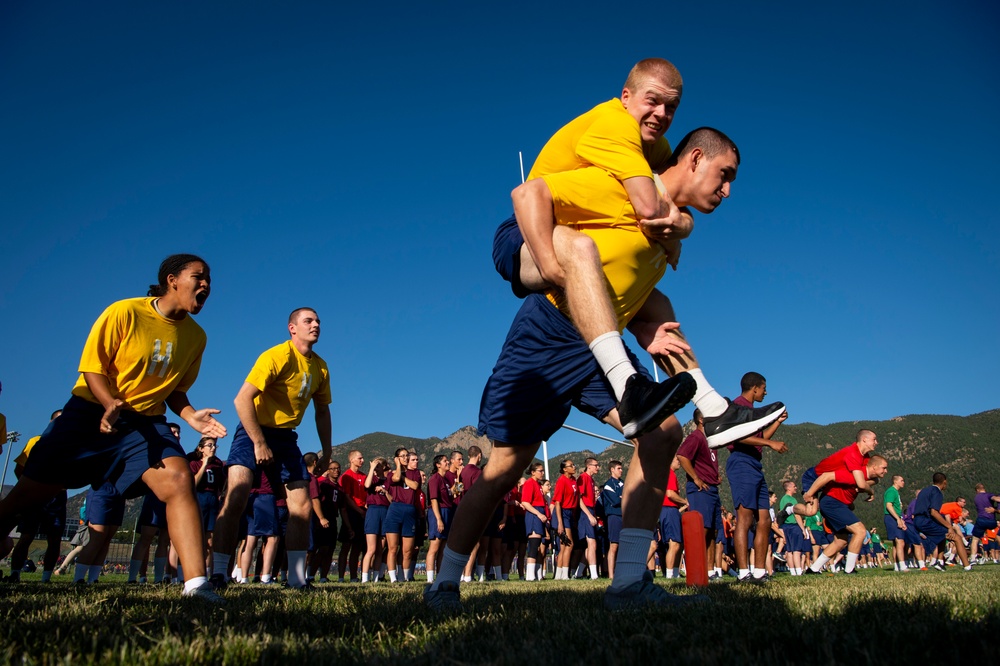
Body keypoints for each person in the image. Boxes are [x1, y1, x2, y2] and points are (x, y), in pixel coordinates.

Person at [426, 123, 756, 612]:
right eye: (723, 175)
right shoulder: (624, 187)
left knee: (663, 434)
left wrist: (648, 327)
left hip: (601, 346)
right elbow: (535, 197)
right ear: (694, 159)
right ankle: (444, 583)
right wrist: (539, 255)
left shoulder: (669, 228)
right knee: (503, 471)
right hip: (547, 332)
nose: (727, 190)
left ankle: (627, 585)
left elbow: (629, 287)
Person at [495, 60, 785, 446]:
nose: (663, 114)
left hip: (576, 266)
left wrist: (681, 228)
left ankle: (713, 408)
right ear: (626, 97)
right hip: (526, 230)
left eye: (672, 107)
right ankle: (628, 385)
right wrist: (551, 267)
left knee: (657, 302)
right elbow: (649, 207)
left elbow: (671, 185)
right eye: (653, 101)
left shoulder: (656, 147)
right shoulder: (617, 129)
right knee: (580, 249)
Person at [0, 255, 225, 601]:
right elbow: (92, 367)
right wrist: (109, 403)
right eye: (199, 276)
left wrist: (191, 416)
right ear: (172, 280)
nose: (206, 284)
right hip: (89, 414)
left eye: (209, 279)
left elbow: (176, 391)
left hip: (144, 423)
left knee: (179, 480)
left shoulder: (196, 337)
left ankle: (196, 586)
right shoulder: (124, 312)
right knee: (25, 495)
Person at [211, 307, 332, 591]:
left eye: (317, 321)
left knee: (301, 507)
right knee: (237, 494)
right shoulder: (275, 356)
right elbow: (242, 400)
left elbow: (322, 411)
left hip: (286, 438)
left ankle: (297, 579)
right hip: (253, 429)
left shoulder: (321, 366)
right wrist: (259, 442)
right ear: (292, 328)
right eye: (308, 321)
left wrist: (327, 450)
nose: (315, 325)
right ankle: (218, 573)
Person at [725, 372, 788, 583]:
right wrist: (771, 444)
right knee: (744, 518)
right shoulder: (737, 407)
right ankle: (744, 573)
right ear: (754, 388)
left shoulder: (752, 411)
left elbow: (759, 438)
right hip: (741, 462)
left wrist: (777, 422)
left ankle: (760, 572)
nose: (765, 392)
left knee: (765, 520)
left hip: (755, 464)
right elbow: (737, 437)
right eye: (763, 388)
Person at [805, 455, 889, 575]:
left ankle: (813, 569)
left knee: (841, 541)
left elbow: (871, 481)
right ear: (874, 467)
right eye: (884, 468)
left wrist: (868, 488)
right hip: (832, 502)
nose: (886, 471)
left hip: (838, 504)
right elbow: (827, 476)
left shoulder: (868, 478)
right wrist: (810, 493)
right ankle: (849, 570)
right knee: (860, 531)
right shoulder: (854, 474)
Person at [7, 410, 66, 582]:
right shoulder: (35, 442)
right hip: (35, 496)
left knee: (54, 539)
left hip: (57, 497)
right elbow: (19, 469)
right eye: (57, 420)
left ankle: (46, 577)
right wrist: (31, 488)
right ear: (50, 422)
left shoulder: (70, 445)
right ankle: (14, 574)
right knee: (27, 535)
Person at [675, 409, 724, 579]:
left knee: (712, 531)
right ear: (702, 420)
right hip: (700, 490)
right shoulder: (696, 436)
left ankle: (709, 571)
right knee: (701, 530)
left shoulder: (710, 440)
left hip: (711, 489)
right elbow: (682, 455)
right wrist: (696, 478)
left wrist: (714, 475)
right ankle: (695, 570)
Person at [914, 474, 970, 570]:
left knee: (943, 537)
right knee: (956, 537)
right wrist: (949, 527)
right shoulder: (937, 492)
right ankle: (967, 566)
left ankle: (939, 562)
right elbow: (934, 512)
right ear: (944, 482)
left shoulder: (924, 490)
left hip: (917, 520)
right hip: (925, 521)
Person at [384, 448, 421, 582]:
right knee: (393, 548)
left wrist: (405, 477)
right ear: (397, 458)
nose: (405, 458)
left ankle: (403, 577)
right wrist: (399, 466)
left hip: (410, 510)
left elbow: (415, 486)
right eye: (402, 456)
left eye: (407, 456)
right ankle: (393, 578)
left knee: (407, 550)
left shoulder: (415, 473)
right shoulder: (391, 474)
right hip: (395, 509)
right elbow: (396, 478)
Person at [190, 435, 225, 568]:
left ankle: (207, 571)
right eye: (209, 445)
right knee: (196, 537)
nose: (213, 448)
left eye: (214, 445)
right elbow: (194, 483)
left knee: (210, 541)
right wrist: (204, 464)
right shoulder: (194, 463)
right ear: (201, 448)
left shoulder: (217, 464)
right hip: (199, 497)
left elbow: (221, 485)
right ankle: (189, 571)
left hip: (212, 500)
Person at [338, 450, 368, 582]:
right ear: (352, 460)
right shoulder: (346, 476)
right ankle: (340, 576)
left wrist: (365, 508)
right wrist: (358, 510)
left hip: (362, 511)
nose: (362, 461)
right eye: (360, 458)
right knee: (346, 545)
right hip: (351, 512)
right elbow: (347, 496)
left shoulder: (364, 476)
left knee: (357, 545)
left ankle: (354, 576)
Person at [426, 454, 456, 583]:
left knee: (443, 547)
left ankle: (440, 576)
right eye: (445, 461)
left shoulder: (447, 481)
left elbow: (453, 495)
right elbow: (434, 500)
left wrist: (459, 478)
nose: (447, 462)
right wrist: (438, 519)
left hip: (447, 511)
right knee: (435, 546)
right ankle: (429, 578)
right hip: (438, 512)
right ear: (438, 465)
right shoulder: (435, 479)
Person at [361, 457, 389, 583]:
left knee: (380, 549)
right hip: (373, 511)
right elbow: (366, 485)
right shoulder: (372, 478)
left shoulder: (388, 481)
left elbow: (392, 499)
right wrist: (371, 469)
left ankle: (376, 577)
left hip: (385, 511)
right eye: (374, 465)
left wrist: (384, 491)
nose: (376, 468)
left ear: (383, 467)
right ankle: (364, 578)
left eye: (378, 466)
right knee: (371, 549)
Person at [575, 457, 601, 580]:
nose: (598, 467)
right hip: (585, 512)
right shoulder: (583, 477)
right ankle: (594, 574)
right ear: (589, 466)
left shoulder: (591, 480)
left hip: (591, 510)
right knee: (592, 543)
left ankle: (579, 573)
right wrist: (589, 515)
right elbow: (579, 499)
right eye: (596, 465)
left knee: (590, 545)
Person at [600, 460, 625, 578]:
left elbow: (629, 496)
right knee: (614, 545)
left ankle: (621, 572)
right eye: (619, 468)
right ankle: (611, 574)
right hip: (614, 517)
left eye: (621, 468)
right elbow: (615, 501)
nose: (621, 470)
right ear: (612, 469)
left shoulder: (623, 483)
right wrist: (622, 497)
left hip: (624, 516)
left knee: (623, 545)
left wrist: (622, 496)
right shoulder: (608, 485)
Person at [883, 475, 910, 572]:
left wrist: (901, 518)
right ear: (895, 481)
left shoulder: (896, 492)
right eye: (902, 480)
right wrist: (897, 519)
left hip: (896, 517)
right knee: (900, 541)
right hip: (892, 518)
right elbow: (889, 506)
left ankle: (897, 565)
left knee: (896, 542)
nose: (903, 482)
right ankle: (902, 566)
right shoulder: (891, 491)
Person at [970, 483, 1000, 563]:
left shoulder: (976, 497)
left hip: (981, 520)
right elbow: (997, 499)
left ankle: (973, 558)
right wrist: (995, 509)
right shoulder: (989, 495)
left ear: (977, 490)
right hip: (992, 522)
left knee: (975, 539)